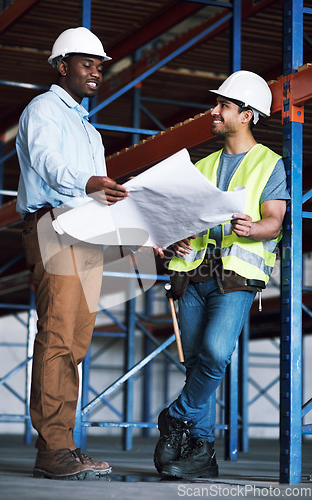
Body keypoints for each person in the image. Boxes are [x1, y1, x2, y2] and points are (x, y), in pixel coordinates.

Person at [153, 70, 289, 480]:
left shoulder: (270, 163)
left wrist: (255, 229)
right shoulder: (204, 163)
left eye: (223, 106)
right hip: (193, 272)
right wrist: (173, 238)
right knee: (196, 363)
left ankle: (175, 417)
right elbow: (180, 219)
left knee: (214, 353)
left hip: (235, 276)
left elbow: (275, 222)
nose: (213, 111)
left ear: (246, 115)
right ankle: (202, 453)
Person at [16, 27, 128, 480]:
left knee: (78, 340)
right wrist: (87, 184)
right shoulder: (43, 109)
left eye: (100, 66)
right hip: (54, 223)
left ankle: (63, 441)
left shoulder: (89, 129)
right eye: (87, 63)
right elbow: (47, 162)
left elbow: (98, 195)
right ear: (62, 66)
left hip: (87, 230)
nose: (96, 72)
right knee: (59, 334)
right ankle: (52, 449)